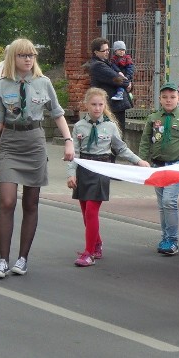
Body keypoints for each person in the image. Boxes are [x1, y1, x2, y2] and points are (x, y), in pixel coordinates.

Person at [0, 39, 75, 279]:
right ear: (13, 58)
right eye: (23, 56)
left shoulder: (44, 83)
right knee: (7, 201)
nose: (28, 59)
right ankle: (3, 260)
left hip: (34, 142)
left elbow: (57, 114)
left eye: (32, 56)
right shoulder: (3, 85)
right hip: (10, 144)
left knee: (30, 203)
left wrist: (68, 141)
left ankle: (22, 258)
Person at [67, 88, 150, 267]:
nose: (97, 108)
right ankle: (97, 244)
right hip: (84, 169)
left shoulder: (110, 126)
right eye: (93, 104)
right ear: (86, 105)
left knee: (91, 211)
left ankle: (89, 253)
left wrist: (138, 161)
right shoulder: (79, 126)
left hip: (101, 169)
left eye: (100, 104)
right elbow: (75, 152)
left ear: (105, 106)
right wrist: (71, 173)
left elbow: (121, 148)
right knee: (85, 213)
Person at [138, 83, 179, 255]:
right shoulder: (153, 117)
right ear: (160, 99)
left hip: (177, 166)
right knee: (161, 204)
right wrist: (142, 160)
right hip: (158, 166)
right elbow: (145, 141)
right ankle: (165, 237)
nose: (168, 100)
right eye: (165, 97)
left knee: (169, 202)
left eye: (172, 97)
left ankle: (172, 240)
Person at [87, 37, 132, 129]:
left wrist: (128, 82)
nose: (107, 52)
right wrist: (128, 83)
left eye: (108, 49)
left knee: (118, 135)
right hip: (110, 105)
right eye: (104, 50)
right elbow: (115, 78)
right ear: (96, 52)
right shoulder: (98, 65)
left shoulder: (107, 62)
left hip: (115, 105)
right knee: (114, 134)